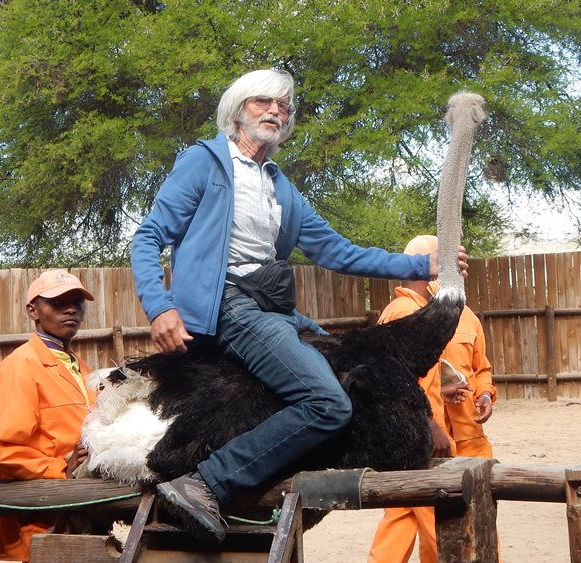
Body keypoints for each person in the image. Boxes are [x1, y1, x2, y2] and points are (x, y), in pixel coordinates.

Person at [130, 69, 468, 544]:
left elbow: (337, 251)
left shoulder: (279, 186)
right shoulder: (204, 163)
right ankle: (206, 480)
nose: (275, 111)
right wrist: (159, 306)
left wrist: (419, 265)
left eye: (283, 106)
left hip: (272, 309)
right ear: (237, 111)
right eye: (262, 101)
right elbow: (148, 237)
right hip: (229, 305)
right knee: (327, 402)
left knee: (355, 365)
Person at [368, 235, 495, 563]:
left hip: (464, 437)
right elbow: (397, 383)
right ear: (428, 269)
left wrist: (483, 392)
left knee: (403, 518)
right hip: (425, 441)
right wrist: (429, 425)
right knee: (444, 525)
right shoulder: (404, 313)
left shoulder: (461, 315)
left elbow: (480, 368)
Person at [0, 269, 96, 562]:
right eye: (58, 302)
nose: (71, 309)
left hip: (79, 515)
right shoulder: (20, 367)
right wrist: (59, 469)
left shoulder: (81, 368)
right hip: (38, 521)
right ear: (33, 311)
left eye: (77, 302)